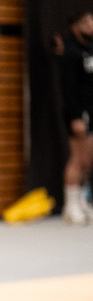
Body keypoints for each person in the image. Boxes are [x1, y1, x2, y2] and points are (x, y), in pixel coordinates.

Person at [59, 10, 93, 225]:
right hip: (79, 113)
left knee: (88, 161)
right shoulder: (70, 52)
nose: (91, 25)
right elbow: (69, 88)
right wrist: (75, 117)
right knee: (78, 159)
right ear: (75, 26)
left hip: (91, 109)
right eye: (86, 22)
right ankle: (70, 206)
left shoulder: (89, 49)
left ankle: (82, 201)